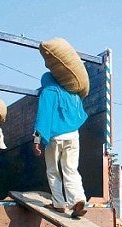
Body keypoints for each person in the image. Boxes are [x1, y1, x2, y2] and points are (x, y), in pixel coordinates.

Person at [33, 72, 88, 219]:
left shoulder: (48, 92)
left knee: (53, 170)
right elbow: (79, 113)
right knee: (70, 169)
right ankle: (78, 198)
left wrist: (37, 141)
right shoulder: (72, 93)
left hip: (55, 137)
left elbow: (43, 117)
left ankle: (58, 203)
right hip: (73, 135)